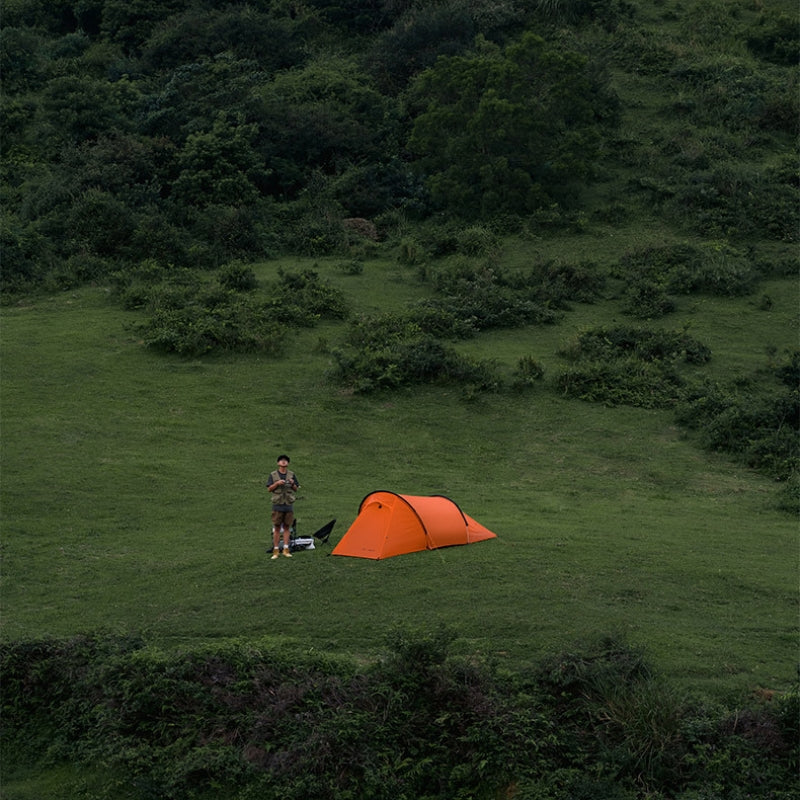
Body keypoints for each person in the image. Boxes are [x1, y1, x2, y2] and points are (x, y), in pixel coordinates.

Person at [268, 454, 299, 559]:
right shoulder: (273, 475)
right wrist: (277, 484)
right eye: (281, 460)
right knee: (276, 528)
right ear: (278, 463)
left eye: (285, 461)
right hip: (277, 504)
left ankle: (286, 549)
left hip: (288, 504)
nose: (283, 462)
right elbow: (269, 489)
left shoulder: (291, 474)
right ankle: (275, 550)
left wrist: (292, 483)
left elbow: (296, 489)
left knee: (287, 527)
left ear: (288, 463)